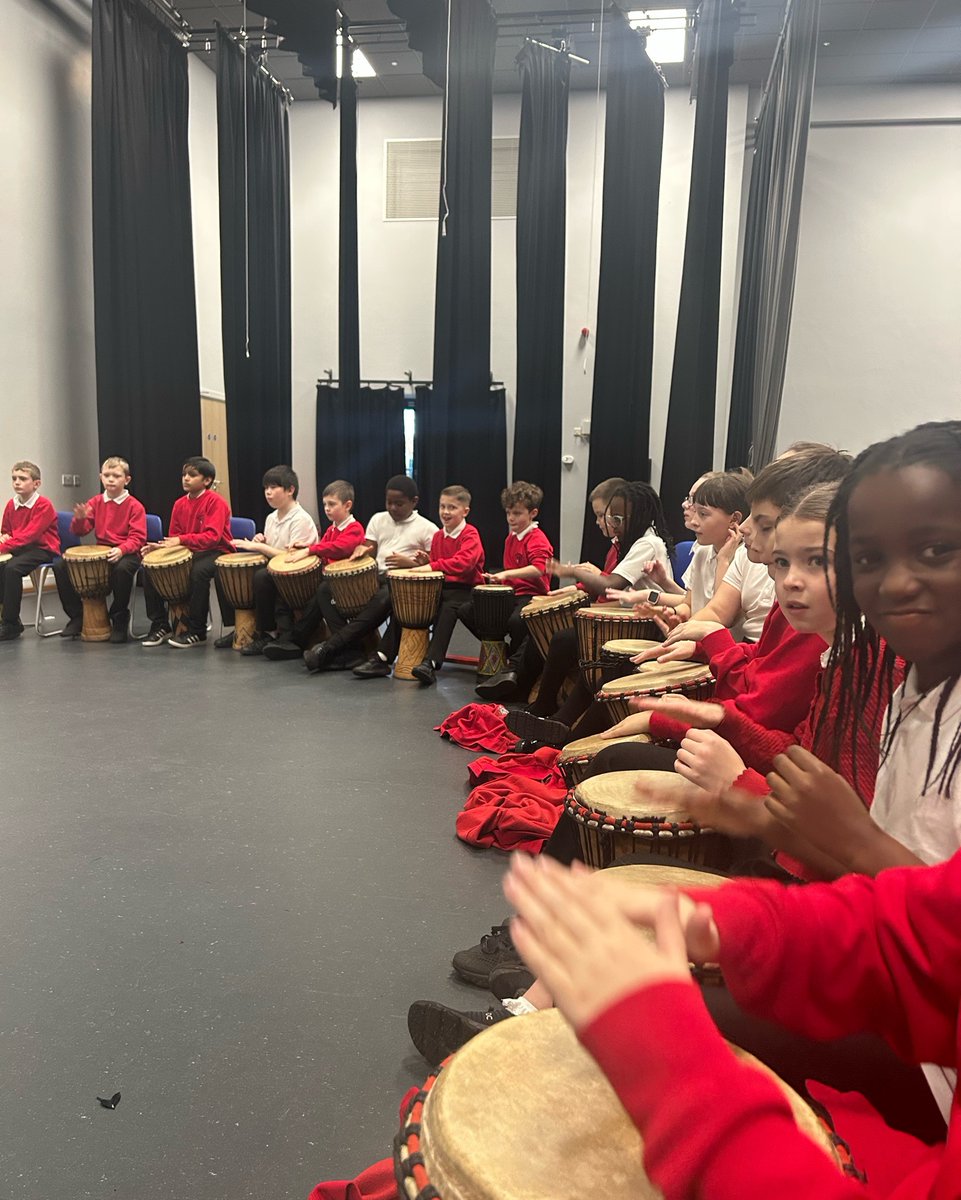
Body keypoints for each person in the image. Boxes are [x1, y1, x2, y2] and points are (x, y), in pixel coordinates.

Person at [289, 474, 436, 675]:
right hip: (374, 577)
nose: (392, 508)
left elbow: (433, 566)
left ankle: (331, 648)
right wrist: (363, 550)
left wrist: (409, 563)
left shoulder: (428, 529)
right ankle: (351, 651)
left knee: (385, 596)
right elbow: (370, 548)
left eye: (399, 504)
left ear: (414, 501)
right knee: (326, 589)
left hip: (403, 583)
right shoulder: (378, 519)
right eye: (389, 502)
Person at [608, 469, 751, 629]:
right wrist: (670, 613)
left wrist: (723, 562)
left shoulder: (746, 558)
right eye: (695, 512)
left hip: (722, 648)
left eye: (703, 514)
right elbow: (689, 604)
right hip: (694, 641)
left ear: (734, 519)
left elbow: (722, 615)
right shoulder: (702, 552)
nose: (695, 521)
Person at [460, 481, 554, 702]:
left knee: (517, 622)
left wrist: (506, 575)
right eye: (508, 513)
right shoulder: (511, 537)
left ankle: (515, 669)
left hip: (533, 596)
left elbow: (539, 569)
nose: (511, 518)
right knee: (467, 611)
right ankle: (506, 655)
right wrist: (498, 580)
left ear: (533, 513)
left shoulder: (537, 538)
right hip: (513, 594)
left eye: (517, 513)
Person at [265, 479, 367, 668]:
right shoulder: (332, 528)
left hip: (344, 583)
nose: (327, 509)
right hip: (329, 579)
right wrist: (306, 546)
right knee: (288, 586)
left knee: (321, 593)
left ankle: (298, 640)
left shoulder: (354, 528)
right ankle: (288, 637)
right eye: (325, 505)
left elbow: (339, 548)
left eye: (332, 504)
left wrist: (310, 550)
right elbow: (324, 545)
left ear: (348, 505)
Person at [141, 456, 233, 649]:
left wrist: (181, 541)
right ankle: (160, 624)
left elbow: (212, 538)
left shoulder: (216, 502)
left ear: (206, 481)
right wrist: (161, 547)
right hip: (190, 551)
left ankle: (197, 630)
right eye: (184, 475)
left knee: (198, 572)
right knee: (149, 567)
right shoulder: (179, 504)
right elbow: (175, 536)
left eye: (192, 475)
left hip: (217, 551)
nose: (186, 479)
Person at [225, 465, 318, 656]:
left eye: (273, 487)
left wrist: (259, 547)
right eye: (266, 488)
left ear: (290, 490)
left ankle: (267, 632)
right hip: (277, 569)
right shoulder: (271, 518)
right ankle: (244, 628)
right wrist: (263, 540)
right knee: (242, 571)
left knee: (262, 577)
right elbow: (274, 550)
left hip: (297, 574)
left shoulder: (301, 519)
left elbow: (290, 558)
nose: (268, 493)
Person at [53, 456, 147, 644]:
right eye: (107, 475)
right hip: (102, 550)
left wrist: (121, 549)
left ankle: (119, 618)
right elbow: (80, 531)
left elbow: (138, 539)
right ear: (100, 477)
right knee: (60, 565)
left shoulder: (135, 506)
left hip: (126, 552)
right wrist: (79, 519)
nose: (111, 479)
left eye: (116, 475)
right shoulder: (96, 502)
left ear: (126, 480)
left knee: (122, 569)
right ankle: (77, 616)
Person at [409, 485, 485, 686]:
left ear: (465, 511)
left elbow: (464, 564)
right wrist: (427, 561)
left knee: (449, 607)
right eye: (442, 506)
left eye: (452, 507)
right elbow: (439, 563)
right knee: (411, 603)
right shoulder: (438, 536)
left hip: (468, 590)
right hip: (444, 587)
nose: (445, 512)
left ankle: (431, 662)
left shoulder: (470, 534)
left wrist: (432, 565)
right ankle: (383, 655)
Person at [0, 460, 60, 641]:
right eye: (14, 478)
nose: (17, 482)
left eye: (23, 478)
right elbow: (6, 529)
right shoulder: (12, 504)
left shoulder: (43, 505)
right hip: (21, 548)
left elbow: (30, 536)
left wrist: (3, 546)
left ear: (36, 484)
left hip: (42, 548)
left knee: (12, 569)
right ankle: (7, 616)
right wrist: (3, 536)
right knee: (3, 565)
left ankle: (10, 624)